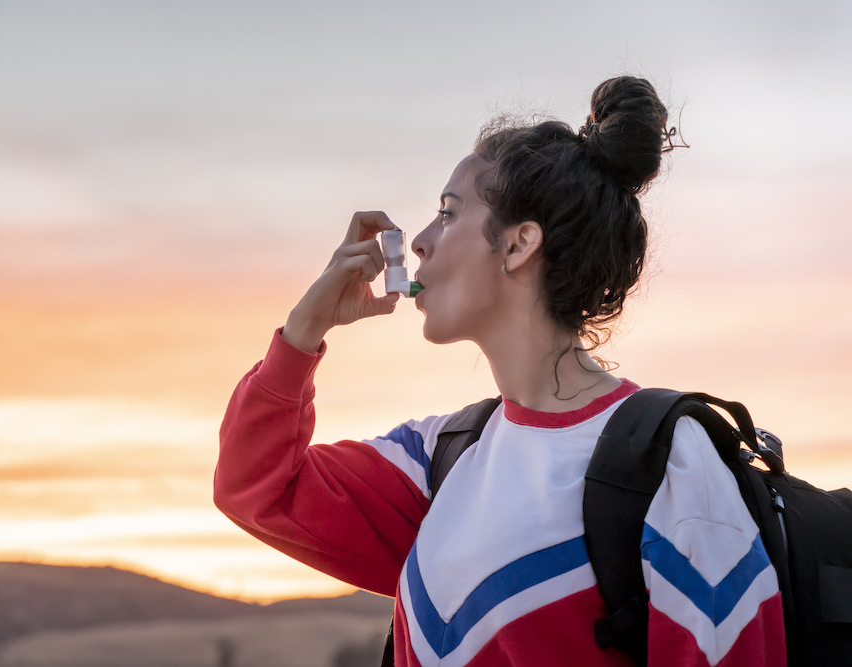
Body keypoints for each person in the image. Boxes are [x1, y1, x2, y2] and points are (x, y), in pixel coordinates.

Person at [214, 77, 786, 666]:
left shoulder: (670, 467)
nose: (420, 244)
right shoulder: (440, 460)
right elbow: (255, 487)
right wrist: (303, 332)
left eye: (448, 213)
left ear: (518, 245)